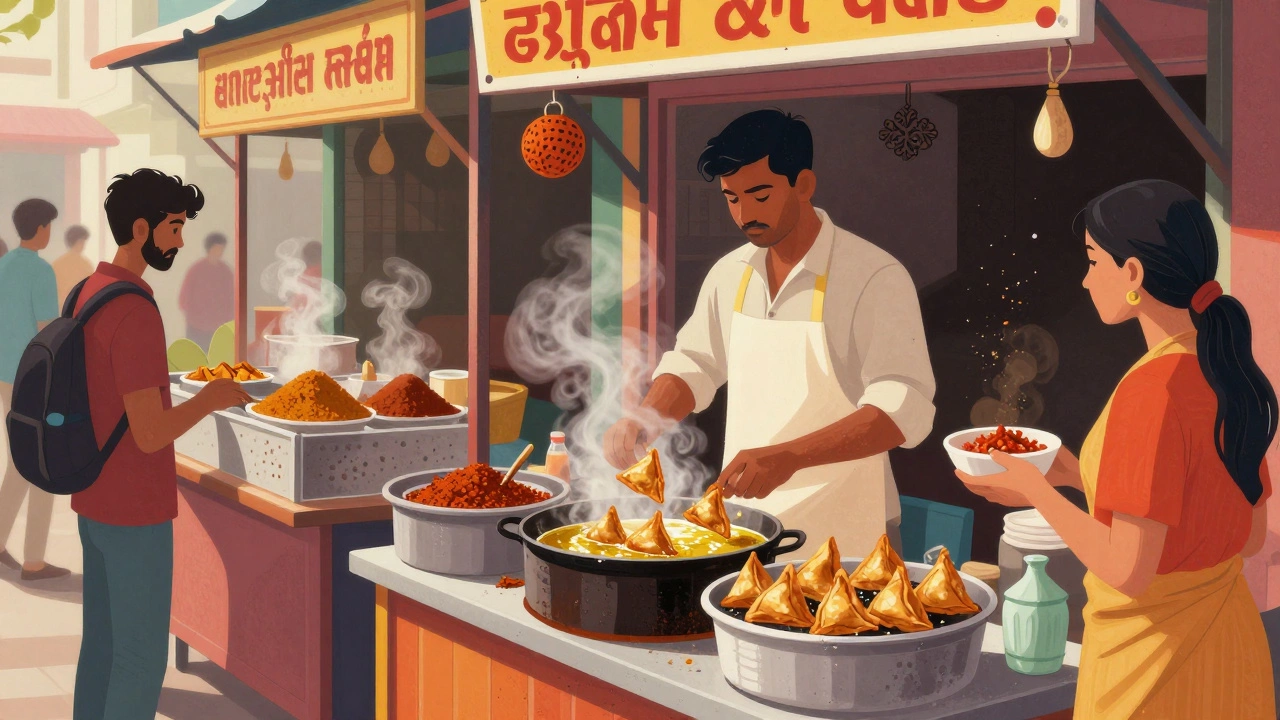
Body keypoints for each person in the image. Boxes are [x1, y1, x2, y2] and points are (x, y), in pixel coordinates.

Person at [956, 180, 1276, 719]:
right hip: (1230, 653)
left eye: (1092, 261)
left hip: (1153, 669)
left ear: (1132, 274)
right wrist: (1074, 475)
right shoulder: (1224, 371)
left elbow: (1128, 571)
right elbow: (1247, 536)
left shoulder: (1151, 391)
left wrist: (1037, 491)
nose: (1085, 279)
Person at [603, 110, 936, 557]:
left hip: (848, 526)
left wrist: (789, 457)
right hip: (745, 526)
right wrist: (647, 418)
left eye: (760, 195)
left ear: (804, 184)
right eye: (732, 199)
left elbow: (903, 408)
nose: (745, 215)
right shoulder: (730, 273)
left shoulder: (873, 276)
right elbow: (695, 364)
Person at [71, 169, 251, 720]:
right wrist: (210, 399)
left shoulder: (87, 292)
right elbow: (148, 433)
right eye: (174, 227)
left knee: (101, 647)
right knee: (141, 657)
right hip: (134, 511)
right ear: (141, 228)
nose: (180, 240)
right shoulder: (135, 311)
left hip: (92, 498)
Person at [0, 198, 69, 581]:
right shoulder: (41, 271)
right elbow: (47, 332)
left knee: (18, 462)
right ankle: (34, 561)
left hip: (5, 377)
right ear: (41, 228)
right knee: (42, 462)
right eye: (49, 227)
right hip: (33, 379)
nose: (50, 233)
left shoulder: (3, 265)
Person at [177, 231, 234, 349]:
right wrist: (193, 316)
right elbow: (184, 298)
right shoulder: (196, 270)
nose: (220, 252)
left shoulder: (226, 271)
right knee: (196, 357)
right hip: (196, 328)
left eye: (222, 248)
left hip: (219, 329)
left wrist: (228, 321)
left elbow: (232, 298)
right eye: (217, 248)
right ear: (209, 248)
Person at [53, 224, 95, 308]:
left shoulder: (57, 263)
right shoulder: (86, 264)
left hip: (64, 308)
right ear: (75, 241)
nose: (83, 245)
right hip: (76, 308)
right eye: (82, 242)